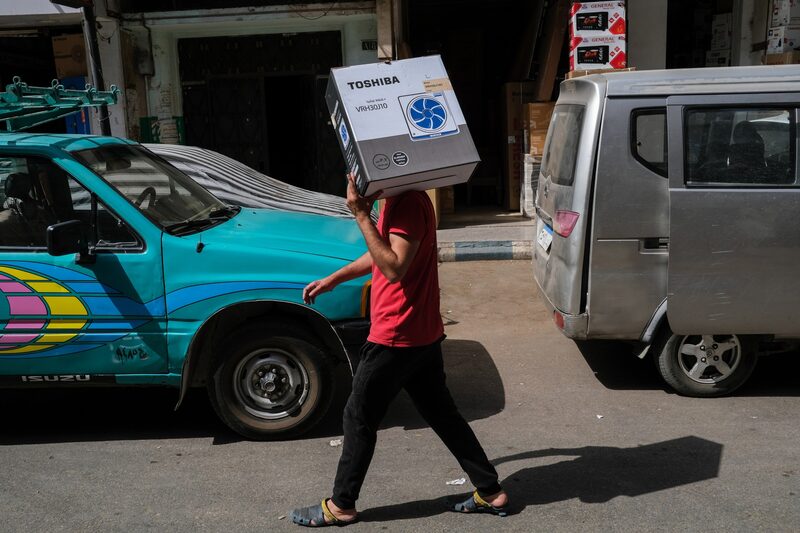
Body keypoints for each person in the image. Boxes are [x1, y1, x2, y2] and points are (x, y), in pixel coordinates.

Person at [290, 174, 508, 527]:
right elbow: (381, 253)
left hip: (398, 334)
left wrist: (360, 215)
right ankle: (490, 490)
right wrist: (336, 278)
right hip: (419, 332)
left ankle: (341, 505)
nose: (356, 180)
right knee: (442, 414)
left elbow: (393, 267)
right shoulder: (395, 199)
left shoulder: (407, 203)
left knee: (358, 417)